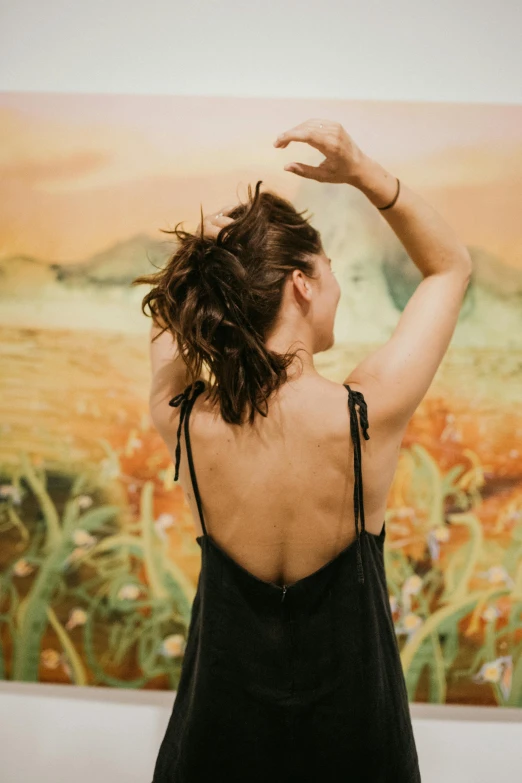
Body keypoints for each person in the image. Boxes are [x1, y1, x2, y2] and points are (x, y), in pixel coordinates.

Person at [137, 118, 472, 782]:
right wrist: (362, 168)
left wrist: (213, 253)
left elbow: (171, 328)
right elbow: (449, 267)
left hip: (215, 746)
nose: (338, 288)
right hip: (356, 748)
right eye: (330, 271)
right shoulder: (364, 413)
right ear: (302, 283)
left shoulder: (184, 419)